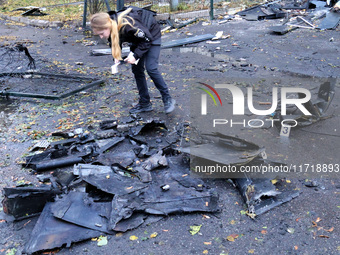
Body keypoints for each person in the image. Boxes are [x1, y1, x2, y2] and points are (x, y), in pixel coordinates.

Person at [90, 7, 176, 114]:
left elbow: (146, 39)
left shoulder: (128, 25)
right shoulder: (112, 27)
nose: (101, 36)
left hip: (151, 35)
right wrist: (116, 57)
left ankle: (167, 98)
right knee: (137, 69)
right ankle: (145, 103)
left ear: (107, 26)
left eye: (101, 33)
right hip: (138, 39)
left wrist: (135, 55)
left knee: (151, 68)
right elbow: (115, 42)